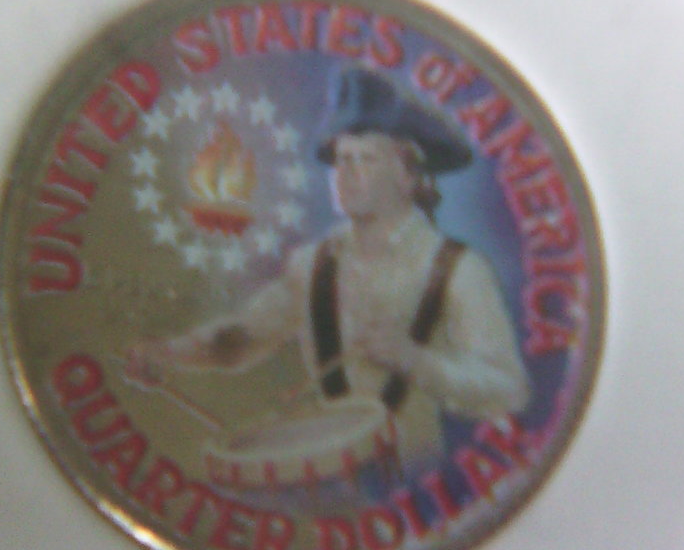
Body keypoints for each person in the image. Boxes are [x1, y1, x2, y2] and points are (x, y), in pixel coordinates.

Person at [124, 66, 529, 474]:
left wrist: (415, 360)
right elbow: (244, 336)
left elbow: (508, 390)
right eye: (340, 160)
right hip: (330, 478)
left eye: (366, 159)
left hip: (414, 473)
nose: (346, 175)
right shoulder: (312, 265)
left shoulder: (458, 269)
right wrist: (169, 351)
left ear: (408, 176)